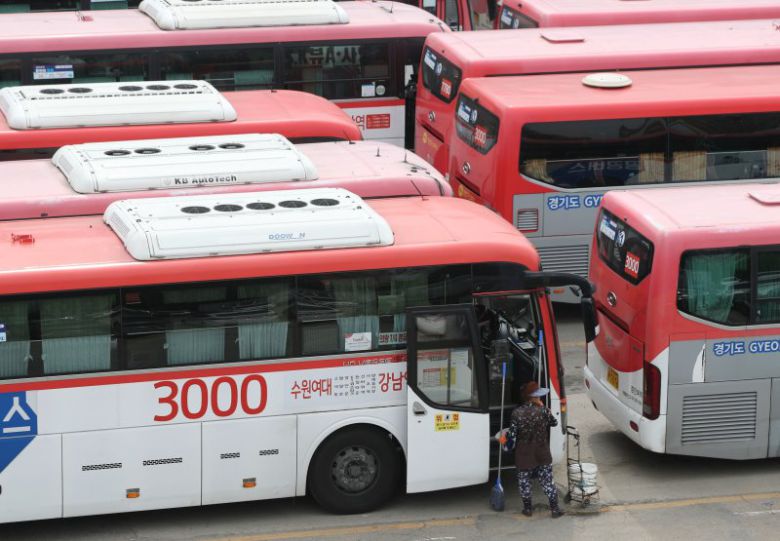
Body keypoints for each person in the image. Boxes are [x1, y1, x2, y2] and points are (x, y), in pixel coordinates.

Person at [503, 381, 564, 518]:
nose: (540, 398)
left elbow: (511, 436)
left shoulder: (516, 413)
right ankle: (555, 509)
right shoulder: (542, 411)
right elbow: (554, 423)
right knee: (547, 482)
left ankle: (528, 509)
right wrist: (546, 409)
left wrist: (505, 445)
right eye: (538, 396)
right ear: (533, 397)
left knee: (525, 483)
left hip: (524, 455)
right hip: (542, 453)